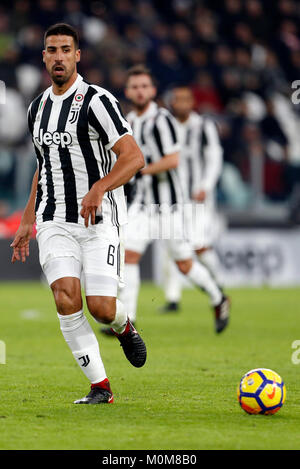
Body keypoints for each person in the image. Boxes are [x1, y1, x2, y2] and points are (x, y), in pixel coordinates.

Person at [10, 23, 146, 405]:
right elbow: (45, 165)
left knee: (101, 308)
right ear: (43, 56)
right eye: (51, 50)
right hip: (53, 220)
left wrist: (100, 187)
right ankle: (101, 387)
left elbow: (134, 157)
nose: (58, 56)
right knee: (65, 298)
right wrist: (26, 219)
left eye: (65, 49)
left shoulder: (97, 100)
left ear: (77, 55)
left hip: (98, 218)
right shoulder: (37, 107)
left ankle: (123, 325)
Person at [101, 65, 230, 335]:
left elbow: (174, 159)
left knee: (184, 262)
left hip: (169, 205)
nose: (140, 91)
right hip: (142, 204)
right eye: (135, 87)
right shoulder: (128, 121)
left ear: (153, 91)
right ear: (127, 91)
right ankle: (129, 320)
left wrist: (141, 168)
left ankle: (218, 297)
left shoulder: (163, 120)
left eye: (144, 86)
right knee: (130, 256)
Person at [160, 85, 226, 312]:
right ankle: (173, 298)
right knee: (173, 246)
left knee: (198, 245)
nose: (182, 104)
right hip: (173, 198)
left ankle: (219, 285)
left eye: (186, 100)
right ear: (172, 102)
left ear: (192, 103)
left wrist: (206, 185)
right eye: (178, 99)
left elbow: (215, 158)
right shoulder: (165, 125)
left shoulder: (203, 126)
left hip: (198, 198)